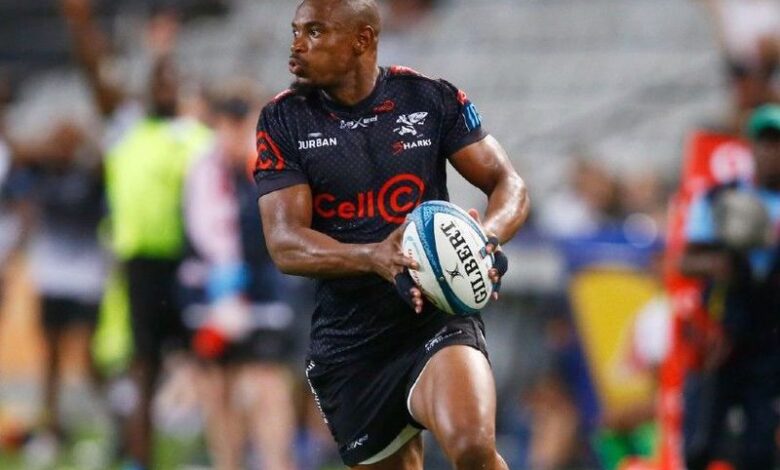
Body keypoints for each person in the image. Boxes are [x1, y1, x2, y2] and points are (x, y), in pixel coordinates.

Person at [253, 1, 529, 468]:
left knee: (472, 446)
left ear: (362, 40)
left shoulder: (428, 98)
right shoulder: (283, 120)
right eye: (295, 31)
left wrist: (487, 237)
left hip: (435, 317)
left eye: (315, 32)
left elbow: (509, 184)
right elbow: (285, 243)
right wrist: (373, 256)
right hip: (351, 340)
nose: (297, 45)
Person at [61, 1, 212, 467]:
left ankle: (213, 452)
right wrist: (81, 25)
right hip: (140, 266)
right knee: (140, 366)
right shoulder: (127, 129)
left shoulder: (193, 134)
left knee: (208, 363)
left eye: (171, 81)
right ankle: (139, 457)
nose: (165, 88)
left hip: (191, 263)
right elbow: (97, 79)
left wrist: (165, 53)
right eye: (158, 81)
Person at [181, 92, 298, 470]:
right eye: (227, 125)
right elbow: (200, 232)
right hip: (212, 291)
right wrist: (221, 291)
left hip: (264, 289)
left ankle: (277, 462)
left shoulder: (267, 167)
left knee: (267, 384)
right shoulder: (202, 170)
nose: (234, 135)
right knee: (218, 386)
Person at [680, 104, 780, 470]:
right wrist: (722, 261)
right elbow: (685, 261)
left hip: (771, 340)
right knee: (701, 443)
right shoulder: (720, 197)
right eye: (766, 143)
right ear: (751, 147)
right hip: (722, 336)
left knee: (760, 447)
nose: (772, 152)